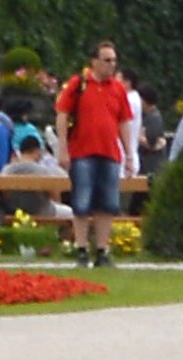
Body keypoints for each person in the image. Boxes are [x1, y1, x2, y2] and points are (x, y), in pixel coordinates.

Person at [55, 47, 134, 265]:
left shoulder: (117, 89)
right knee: (81, 203)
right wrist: (63, 149)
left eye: (114, 60)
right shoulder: (78, 84)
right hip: (82, 151)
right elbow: (62, 115)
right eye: (107, 60)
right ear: (94, 61)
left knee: (107, 204)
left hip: (109, 152)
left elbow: (124, 122)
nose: (111, 64)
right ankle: (81, 249)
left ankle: (101, 250)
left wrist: (129, 154)